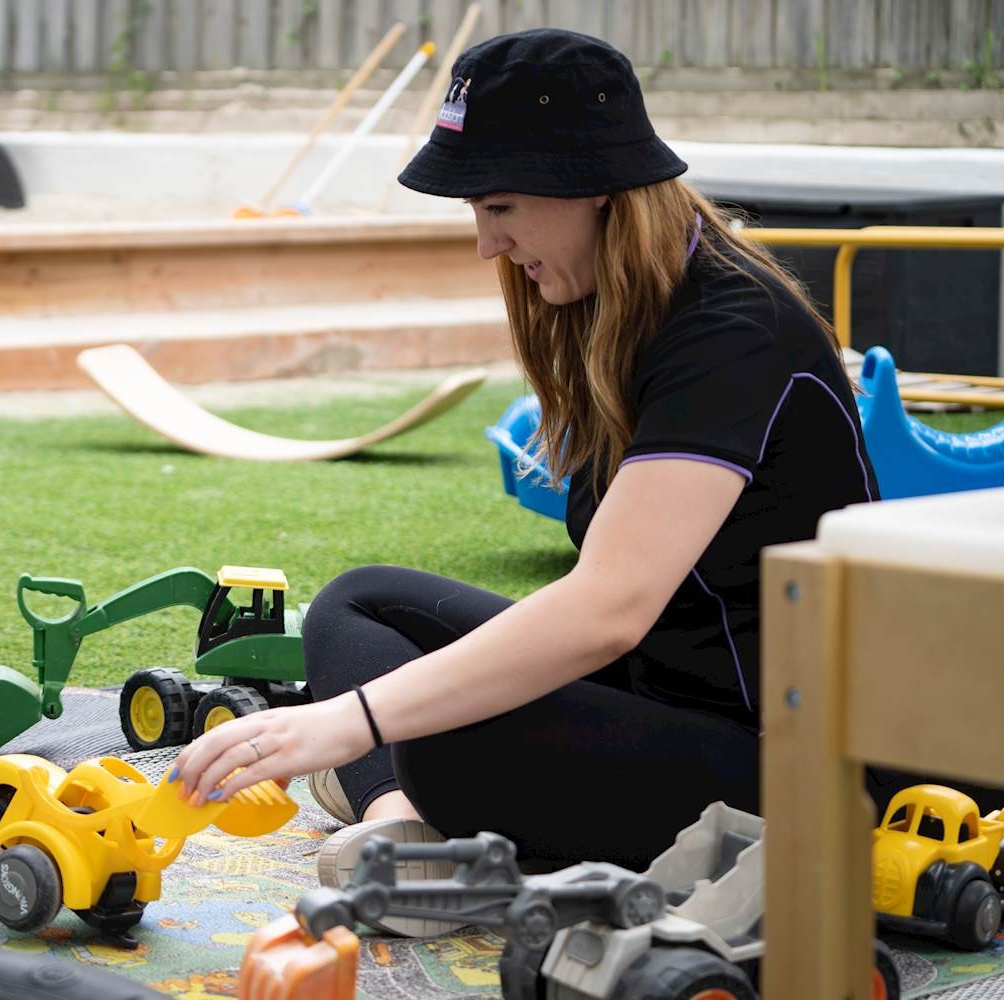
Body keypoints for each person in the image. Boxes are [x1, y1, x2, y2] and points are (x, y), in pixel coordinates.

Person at [169, 28, 997, 937]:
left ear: (592, 186)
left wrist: (351, 723)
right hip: (666, 698)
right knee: (359, 606)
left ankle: (417, 805)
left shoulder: (732, 328)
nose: (488, 243)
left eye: (501, 204)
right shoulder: (616, 306)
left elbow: (609, 608)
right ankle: (399, 828)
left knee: (440, 733)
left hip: (800, 757)